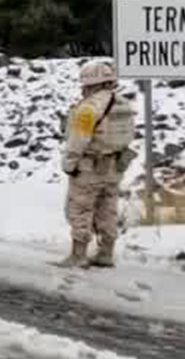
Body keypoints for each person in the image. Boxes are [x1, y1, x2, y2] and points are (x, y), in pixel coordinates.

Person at [55, 60, 137, 268]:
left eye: (85, 84)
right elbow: (129, 135)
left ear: (93, 83)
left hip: (90, 166)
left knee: (80, 208)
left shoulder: (89, 108)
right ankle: (105, 253)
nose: (83, 88)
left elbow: (78, 139)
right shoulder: (124, 104)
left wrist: (69, 163)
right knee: (107, 209)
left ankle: (78, 255)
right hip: (115, 166)